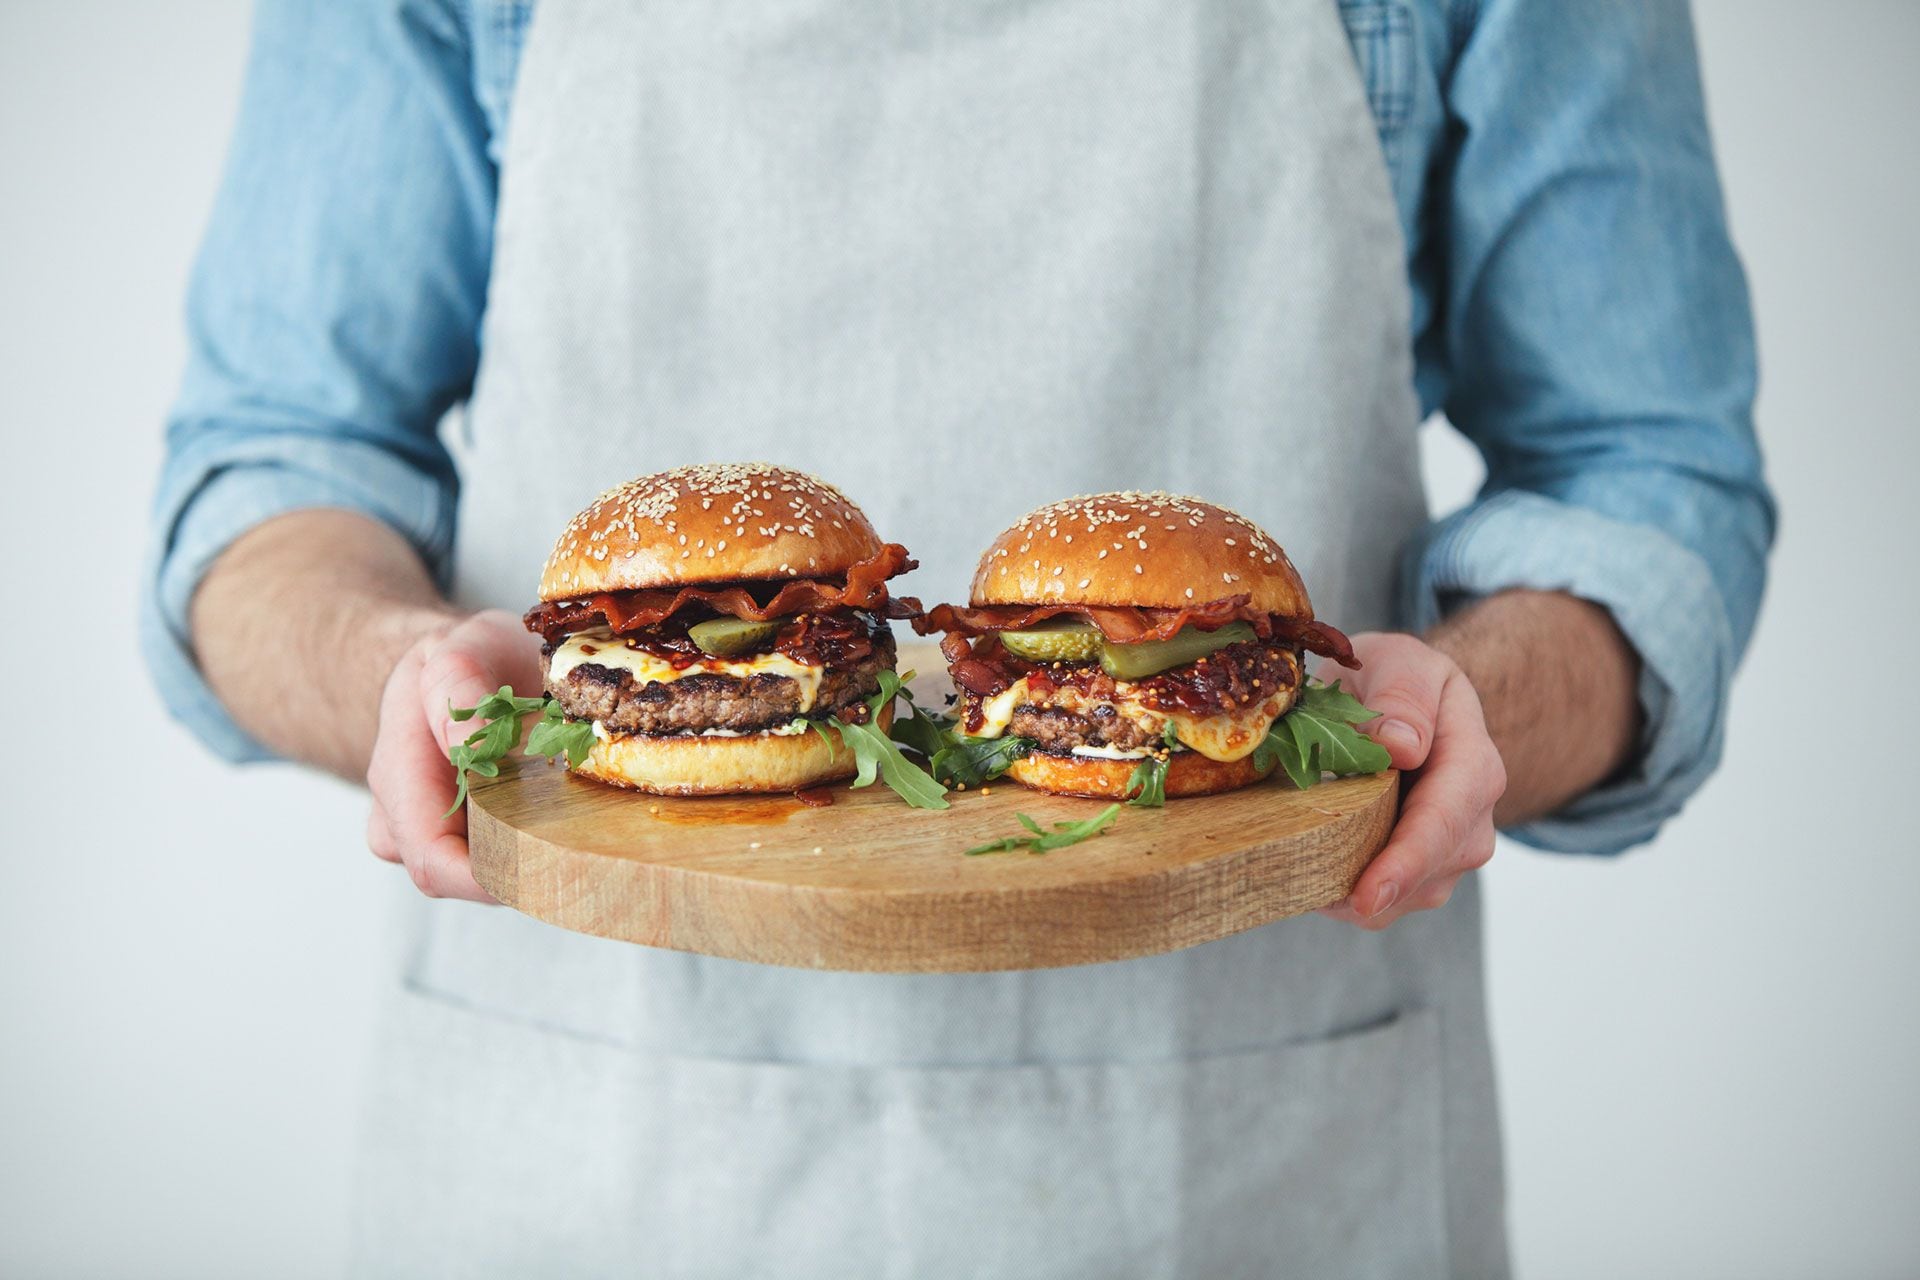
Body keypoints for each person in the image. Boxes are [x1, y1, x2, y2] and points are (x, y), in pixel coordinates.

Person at [142, 0, 1772, 1274]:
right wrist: (393, 671)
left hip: (1256, 1161)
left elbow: (1647, 466)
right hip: (585, 1146)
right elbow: (279, 458)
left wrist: (1470, 708)